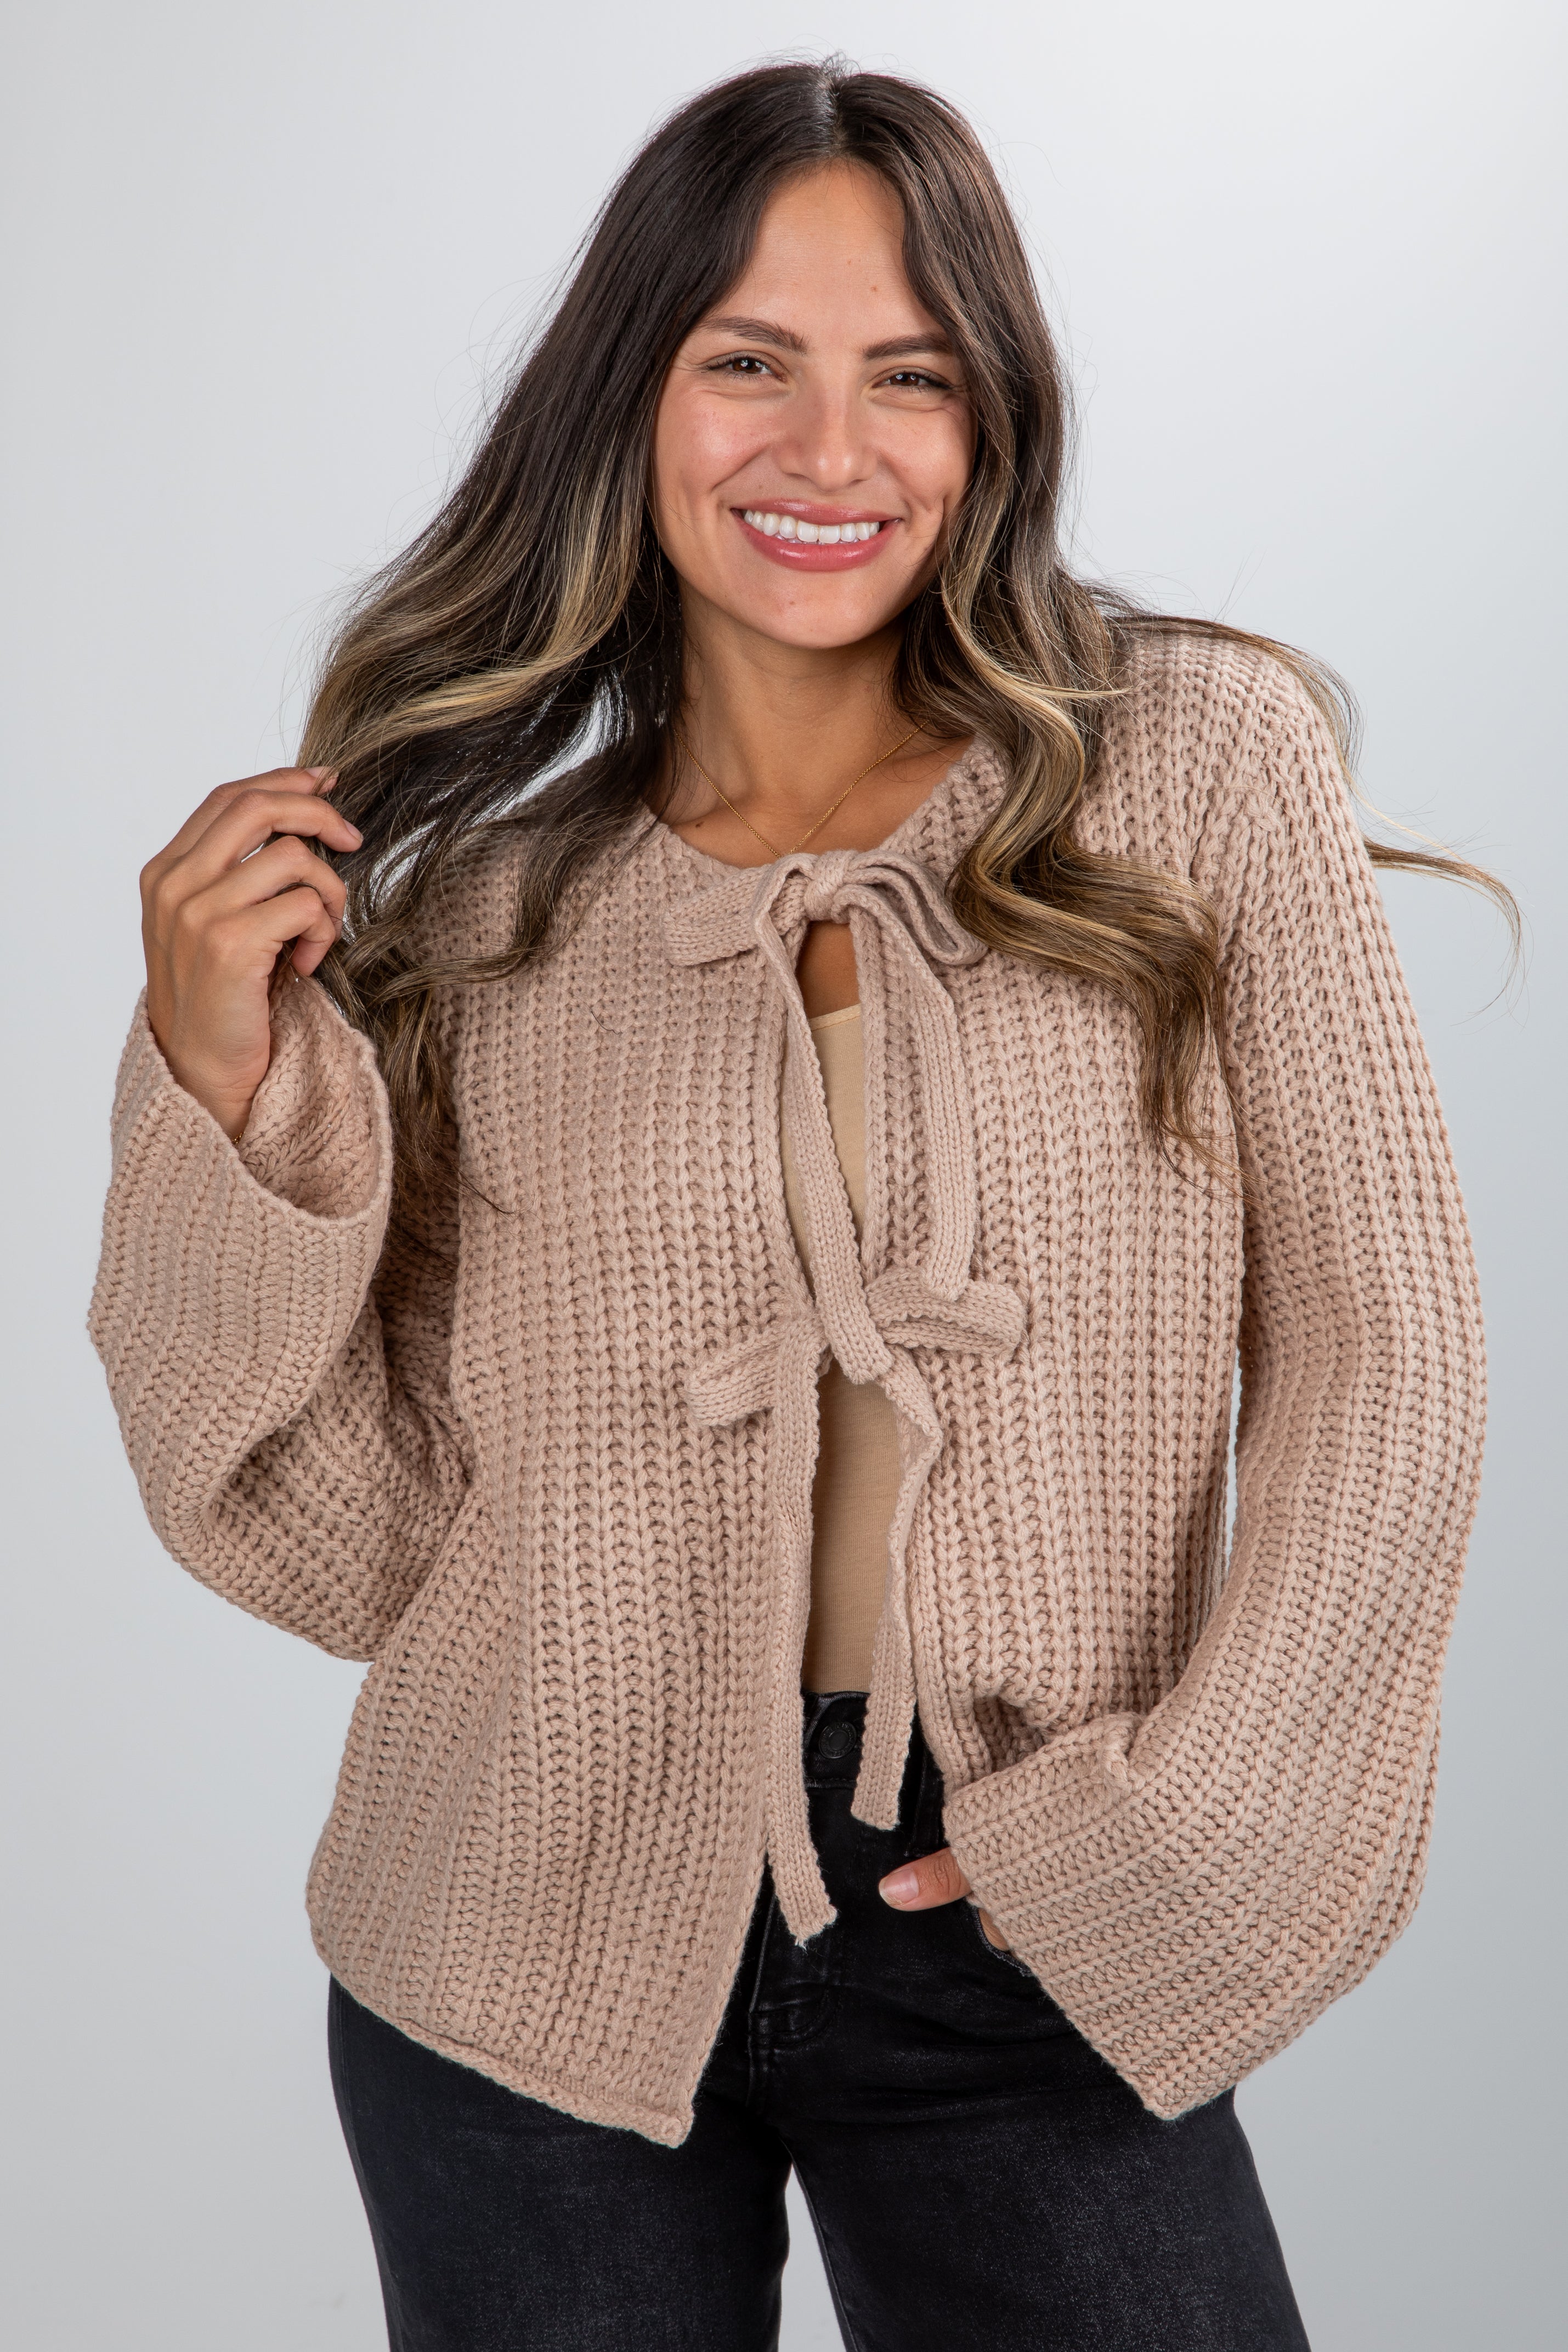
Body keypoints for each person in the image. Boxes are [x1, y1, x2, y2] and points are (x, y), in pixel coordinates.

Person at [91, 59, 1505, 2352]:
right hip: (518, 1947)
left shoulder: (1193, 761)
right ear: (630, 397)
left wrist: (1179, 1842)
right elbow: (348, 1542)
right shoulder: (478, 915)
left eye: (908, 377)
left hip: (1032, 1886)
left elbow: (1387, 1361)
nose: (827, 452)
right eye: (748, 361)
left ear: (992, 422)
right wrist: (229, 1091)